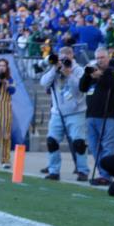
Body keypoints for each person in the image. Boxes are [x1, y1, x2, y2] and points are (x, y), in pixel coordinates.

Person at [40, 46, 89, 181]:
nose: (64, 61)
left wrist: (69, 74)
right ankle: (54, 170)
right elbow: (44, 82)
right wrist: (54, 69)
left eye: (66, 58)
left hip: (76, 112)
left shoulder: (79, 70)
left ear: (72, 56)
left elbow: (80, 89)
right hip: (57, 112)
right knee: (51, 141)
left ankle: (82, 171)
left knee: (79, 143)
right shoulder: (55, 69)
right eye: (61, 58)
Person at [79, 47, 114, 186]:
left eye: (102, 57)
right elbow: (82, 87)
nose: (100, 60)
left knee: (108, 147)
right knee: (95, 147)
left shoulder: (113, 70)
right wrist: (87, 74)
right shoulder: (93, 73)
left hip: (108, 115)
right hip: (91, 115)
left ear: (108, 57)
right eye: (98, 58)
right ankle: (103, 173)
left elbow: (113, 86)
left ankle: (106, 176)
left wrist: (100, 76)